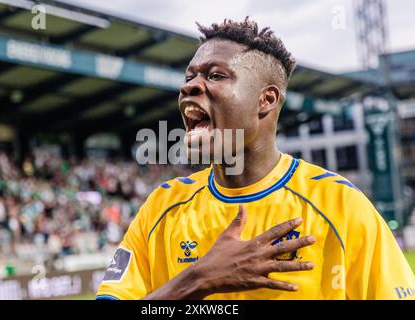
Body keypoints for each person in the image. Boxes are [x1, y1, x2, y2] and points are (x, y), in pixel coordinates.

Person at [97, 18, 415, 300]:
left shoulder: (340, 205)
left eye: (215, 76)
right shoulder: (161, 208)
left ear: (266, 99)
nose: (189, 86)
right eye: (189, 76)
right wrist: (197, 280)